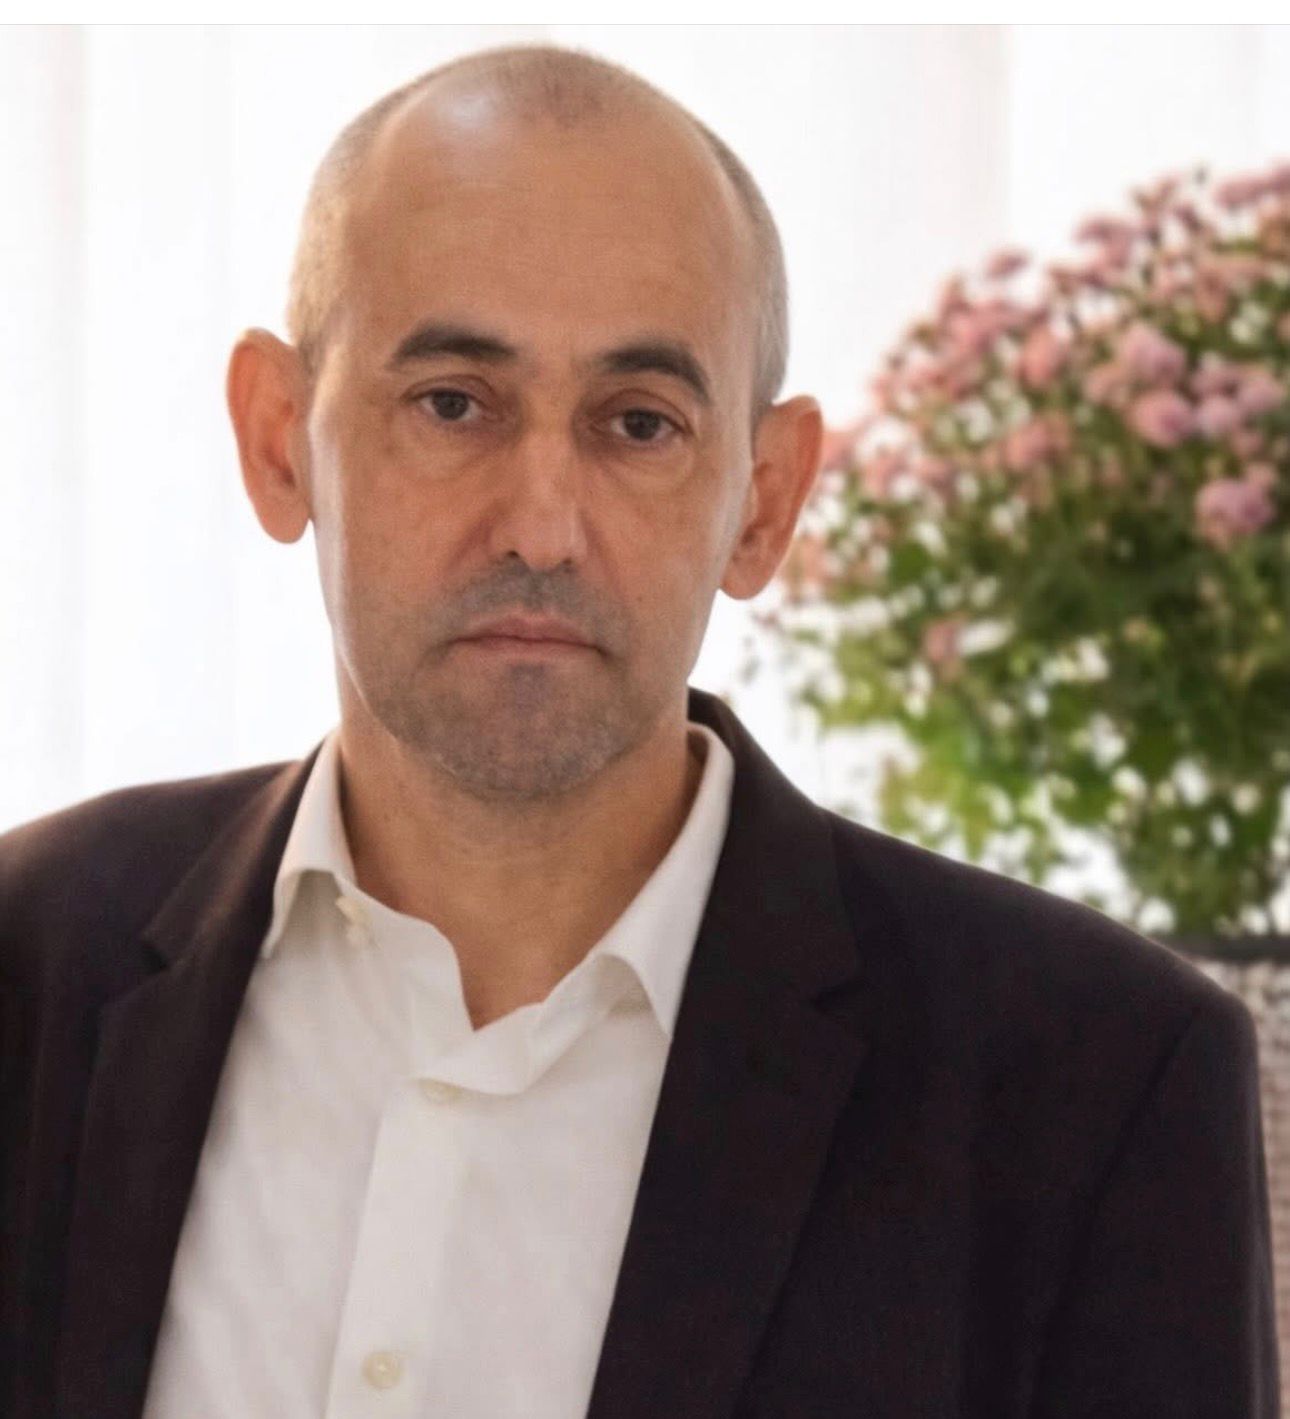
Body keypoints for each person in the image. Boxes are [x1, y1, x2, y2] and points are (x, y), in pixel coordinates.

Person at [0, 41, 1279, 1419]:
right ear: (277, 440)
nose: (541, 527)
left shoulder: (1095, 1085)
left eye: (638, 424)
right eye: (452, 403)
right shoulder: (27, 964)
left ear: (764, 501)